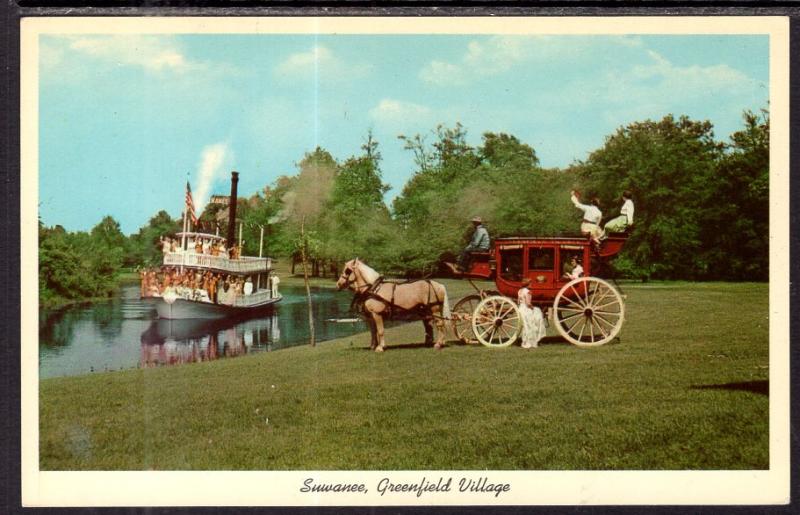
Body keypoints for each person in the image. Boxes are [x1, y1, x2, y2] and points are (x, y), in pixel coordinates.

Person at [517, 278, 546, 349]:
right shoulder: (528, 292)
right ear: (528, 284)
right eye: (531, 284)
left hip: (521, 309)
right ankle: (532, 341)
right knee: (534, 321)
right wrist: (533, 308)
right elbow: (528, 304)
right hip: (526, 310)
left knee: (526, 326)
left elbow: (518, 302)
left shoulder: (520, 291)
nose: (531, 285)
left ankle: (525, 341)